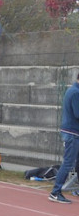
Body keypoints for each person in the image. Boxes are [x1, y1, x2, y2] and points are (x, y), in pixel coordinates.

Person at [48, 72, 79, 204]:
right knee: (68, 163)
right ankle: (55, 192)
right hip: (72, 132)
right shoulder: (75, 92)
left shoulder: (72, 90)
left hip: (73, 131)